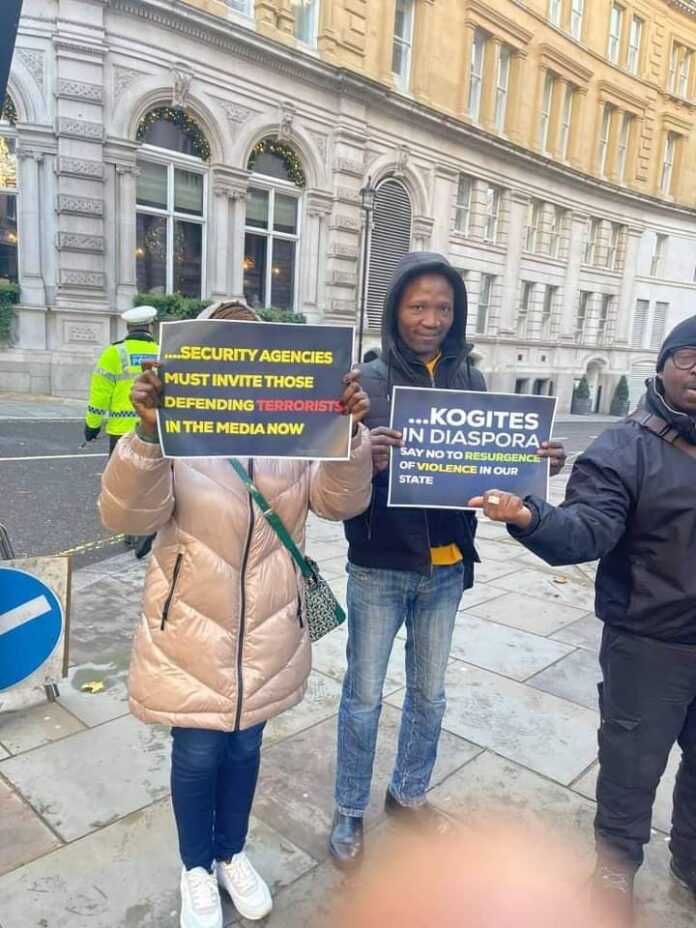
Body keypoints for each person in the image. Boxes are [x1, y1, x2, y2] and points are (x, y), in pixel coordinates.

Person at [98, 300, 374, 928]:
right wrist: (144, 434)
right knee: (198, 751)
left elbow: (338, 504)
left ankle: (231, 854)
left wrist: (350, 435)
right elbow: (125, 517)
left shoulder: (298, 430)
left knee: (245, 746)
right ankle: (196, 867)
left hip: (271, 624)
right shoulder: (174, 427)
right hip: (191, 622)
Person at [329, 252, 566, 868]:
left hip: (446, 568)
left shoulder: (473, 380)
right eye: (418, 306)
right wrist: (364, 454)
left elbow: (488, 468)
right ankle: (349, 808)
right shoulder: (367, 382)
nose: (430, 318)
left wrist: (531, 467)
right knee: (362, 697)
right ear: (395, 311)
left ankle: (408, 794)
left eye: (442, 307)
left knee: (429, 696)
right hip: (380, 565)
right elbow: (331, 481)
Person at [469, 316, 696, 925]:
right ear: (664, 366)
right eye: (689, 357)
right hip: (650, 643)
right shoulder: (624, 447)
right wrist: (528, 517)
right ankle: (616, 864)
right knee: (631, 761)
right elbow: (587, 530)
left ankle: (690, 860)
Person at [84, 305, 160, 557]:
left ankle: (131, 531)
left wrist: (92, 427)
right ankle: (150, 528)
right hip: (156, 431)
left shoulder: (114, 353)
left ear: (128, 327)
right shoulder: (162, 352)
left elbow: (99, 394)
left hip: (121, 432)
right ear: (150, 326)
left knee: (125, 482)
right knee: (154, 480)